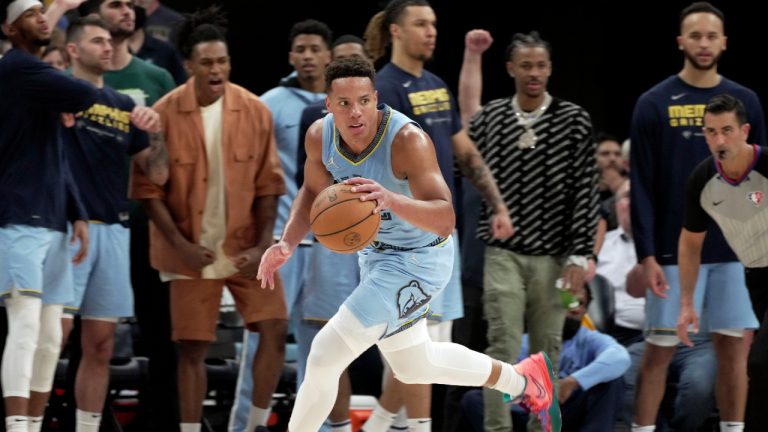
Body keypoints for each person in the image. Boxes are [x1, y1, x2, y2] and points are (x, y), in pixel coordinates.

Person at [257, 56, 560, 432]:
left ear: (376, 98)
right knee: (414, 364)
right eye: (345, 103)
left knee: (323, 353)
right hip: (375, 257)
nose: (356, 112)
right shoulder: (320, 136)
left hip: (421, 259)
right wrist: (285, 243)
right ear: (329, 105)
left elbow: (446, 218)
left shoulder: (407, 140)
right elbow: (311, 194)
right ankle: (523, 379)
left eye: (364, 101)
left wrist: (391, 199)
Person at [130, 8, 288, 432]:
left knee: (274, 328)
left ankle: (255, 423)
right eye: (207, 63)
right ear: (189, 66)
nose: (216, 69)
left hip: (246, 246)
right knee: (192, 348)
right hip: (189, 250)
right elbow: (148, 192)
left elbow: (269, 185)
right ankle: (189, 428)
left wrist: (263, 245)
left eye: (222, 61)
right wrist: (179, 245)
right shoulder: (164, 113)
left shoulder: (255, 110)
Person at [363, 2, 513, 428]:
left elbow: (465, 152)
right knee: (417, 353)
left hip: (439, 236)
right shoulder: (384, 91)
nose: (431, 32)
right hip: (404, 242)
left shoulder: (435, 84)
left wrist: (498, 205)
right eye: (421, 24)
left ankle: (380, 424)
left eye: (434, 24)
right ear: (395, 31)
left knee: (423, 350)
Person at [628, 3, 766, 431]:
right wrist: (647, 254)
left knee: (732, 352)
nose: (703, 43)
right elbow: (642, 185)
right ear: (681, 42)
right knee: (659, 349)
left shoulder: (746, 101)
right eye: (696, 36)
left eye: (712, 36)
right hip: (673, 252)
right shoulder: (653, 102)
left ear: (723, 42)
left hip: (732, 254)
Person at [466, 30, 598, 432]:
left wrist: (579, 255)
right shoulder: (490, 118)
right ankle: (497, 428)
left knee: (547, 353)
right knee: (502, 346)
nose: (534, 73)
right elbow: (464, 164)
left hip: (556, 257)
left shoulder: (575, 119)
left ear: (551, 69)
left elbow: (587, 190)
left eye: (541, 65)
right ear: (510, 69)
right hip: (503, 253)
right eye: (526, 65)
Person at [55, 16, 168, 432]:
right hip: (66, 229)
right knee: (54, 339)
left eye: (109, 41)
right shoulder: (53, 95)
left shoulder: (123, 105)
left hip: (115, 231)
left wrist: (155, 131)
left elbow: (155, 175)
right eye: (97, 40)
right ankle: (28, 422)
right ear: (72, 50)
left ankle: (86, 428)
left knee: (100, 345)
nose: (107, 47)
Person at [229, 18, 333, 432]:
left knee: (326, 348)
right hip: (283, 243)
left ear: (329, 56)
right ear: (291, 56)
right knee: (261, 341)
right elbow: (245, 171)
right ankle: (242, 425)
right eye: (301, 49)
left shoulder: (345, 105)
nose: (308, 56)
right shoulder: (269, 102)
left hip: (331, 246)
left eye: (315, 49)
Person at [0, 0, 98, 430]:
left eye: (45, 13)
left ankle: (33, 425)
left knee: (49, 335)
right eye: (30, 14)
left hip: (54, 217)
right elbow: (87, 93)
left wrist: (76, 210)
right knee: (23, 327)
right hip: (18, 218)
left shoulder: (37, 83)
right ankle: (17, 425)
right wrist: (59, 8)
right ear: (9, 28)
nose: (41, 18)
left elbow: (55, 159)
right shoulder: (16, 67)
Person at [676, 93, 768, 431]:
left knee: (759, 362)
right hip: (753, 276)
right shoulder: (701, 180)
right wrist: (686, 302)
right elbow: (689, 245)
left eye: (727, 130)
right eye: (711, 132)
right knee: (746, 366)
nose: (719, 140)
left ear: (744, 131)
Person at [600, 181, 717, 431]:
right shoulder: (656, 241)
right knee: (622, 372)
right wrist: (649, 256)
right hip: (654, 336)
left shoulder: (712, 237)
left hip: (700, 341)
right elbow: (634, 289)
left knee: (699, 386)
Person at [461, 286, 630, 432]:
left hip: (568, 412)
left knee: (613, 380)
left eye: (581, 304)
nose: (575, 309)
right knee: (474, 398)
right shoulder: (526, 342)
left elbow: (620, 357)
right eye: (570, 301)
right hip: (527, 415)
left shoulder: (590, 339)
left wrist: (572, 382)